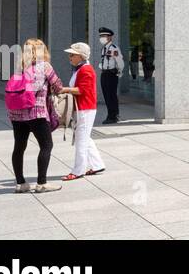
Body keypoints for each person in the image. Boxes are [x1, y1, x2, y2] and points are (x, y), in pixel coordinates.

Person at [8, 38, 63, 193]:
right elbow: (57, 86)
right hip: (36, 112)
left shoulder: (20, 68)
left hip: (17, 114)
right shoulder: (44, 66)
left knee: (19, 147)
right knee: (46, 145)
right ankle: (42, 183)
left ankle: (21, 183)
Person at [60, 41, 106, 181]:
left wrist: (63, 89)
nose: (70, 57)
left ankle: (78, 170)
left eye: (72, 55)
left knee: (81, 140)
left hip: (85, 109)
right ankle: (97, 165)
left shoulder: (85, 69)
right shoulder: (82, 68)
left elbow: (82, 90)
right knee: (85, 138)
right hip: (83, 108)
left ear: (80, 56)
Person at [97, 27, 124, 124]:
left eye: (103, 36)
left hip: (112, 74)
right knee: (106, 96)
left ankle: (113, 116)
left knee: (111, 95)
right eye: (100, 36)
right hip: (104, 73)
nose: (101, 38)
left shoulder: (113, 48)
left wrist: (119, 71)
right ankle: (111, 114)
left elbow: (120, 61)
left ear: (110, 37)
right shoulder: (104, 48)